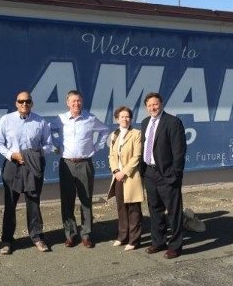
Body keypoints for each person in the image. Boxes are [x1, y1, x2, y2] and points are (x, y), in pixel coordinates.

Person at [0, 91, 53, 254]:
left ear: (31, 103)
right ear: (16, 103)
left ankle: (37, 237)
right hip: (12, 165)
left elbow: (48, 145)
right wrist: (11, 155)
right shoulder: (6, 120)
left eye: (27, 101)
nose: (24, 104)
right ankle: (6, 240)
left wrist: (34, 155)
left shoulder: (40, 121)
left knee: (33, 203)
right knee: (10, 204)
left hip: (32, 166)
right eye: (21, 101)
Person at [53, 90, 109, 248]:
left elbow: (105, 130)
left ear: (82, 102)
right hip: (67, 164)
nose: (76, 103)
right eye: (73, 101)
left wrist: (96, 147)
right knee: (67, 200)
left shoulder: (90, 118)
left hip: (85, 164)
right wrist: (56, 146)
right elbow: (48, 131)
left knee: (86, 200)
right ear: (67, 103)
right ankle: (70, 235)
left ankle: (86, 234)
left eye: (78, 101)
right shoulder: (60, 119)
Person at [140, 92, 187, 259]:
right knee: (155, 211)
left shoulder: (173, 122)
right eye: (149, 105)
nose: (153, 107)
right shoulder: (145, 122)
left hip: (167, 175)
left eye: (155, 104)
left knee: (174, 212)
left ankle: (175, 246)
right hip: (149, 173)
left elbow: (179, 151)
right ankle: (159, 242)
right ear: (146, 107)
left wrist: (175, 174)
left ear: (161, 104)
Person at [107, 106, 143, 251]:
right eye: (122, 117)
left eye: (127, 116)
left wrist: (124, 172)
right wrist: (116, 171)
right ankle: (122, 236)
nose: (125, 119)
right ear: (117, 119)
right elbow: (111, 155)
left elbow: (137, 156)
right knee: (121, 208)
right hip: (117, 177)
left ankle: (134, 240)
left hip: (131, 177)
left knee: (134, 210)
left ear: (131, 119)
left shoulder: (136, 133)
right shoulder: (114, 134)